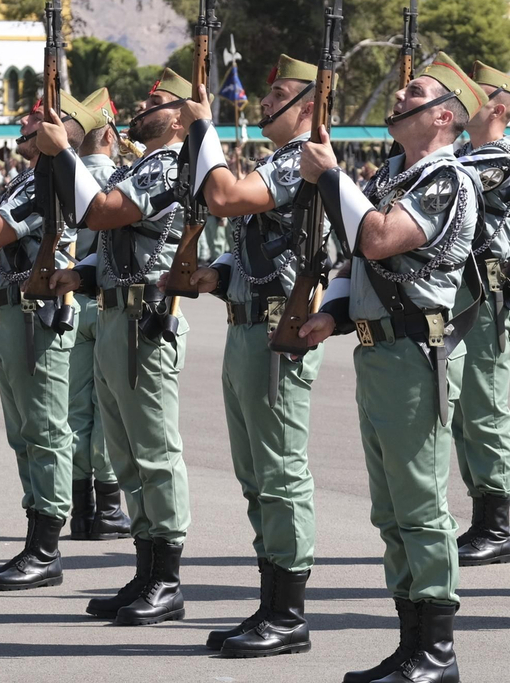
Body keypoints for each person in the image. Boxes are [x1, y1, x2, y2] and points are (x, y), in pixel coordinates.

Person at [295, 53, 485, 683]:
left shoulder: (445, 180)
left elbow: (377, 238)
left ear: (443, 117)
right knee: (391, 510)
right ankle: (410, 645)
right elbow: (358, 261)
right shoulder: (392, 179)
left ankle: (437, 650)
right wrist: (335, 314)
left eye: (416, 91)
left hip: (413, 354)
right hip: (378, 351)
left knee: (421, 505)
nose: (399, 95)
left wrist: (330, 176)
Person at [30, 68, 194, 626]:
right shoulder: (143, 164)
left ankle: (167, 578)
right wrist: (81, 274)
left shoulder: (172, 164)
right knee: (126, 454)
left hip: (147, 322)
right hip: (116, 314)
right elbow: (119, 241)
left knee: (154, 452)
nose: (142, 110)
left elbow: (101, 213)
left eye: (157, 103)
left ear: (179, 117)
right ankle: (147, 569)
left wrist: (61, 154)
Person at [180, 54, 324, 657]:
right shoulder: (279, 160)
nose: (266, 103)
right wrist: (213, 274)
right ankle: (270, 602)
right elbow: (251, 247)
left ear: (310, 108)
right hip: (245, 325)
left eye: (281, 96)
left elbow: (226, 197)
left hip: (275, 334)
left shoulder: (299, 161)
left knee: (281, 474)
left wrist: (203, 128)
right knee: (254, 476)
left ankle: (288, 613)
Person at [0, 89, 109, 590]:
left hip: (37, 320)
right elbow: (7, 249)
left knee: (45, 430)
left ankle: (46, 548)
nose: (24, 121)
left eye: (36, 117)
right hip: (10, 314)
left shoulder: (48, 180)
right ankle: (35, 540)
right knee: (24, 434)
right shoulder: (28, 176)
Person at [448, 60, 510, 568]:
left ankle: (495, 524)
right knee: (458, 412)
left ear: (498, 109)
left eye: (478, 93)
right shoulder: (459, 153)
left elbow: (443, 182)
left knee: (483, 408)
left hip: (484, 293)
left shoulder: (504, 156)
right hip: (456, 293)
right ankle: (480, 515)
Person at [50, 104, 131, 541]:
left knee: (76, 410)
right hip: (103, 298)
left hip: (69, 299)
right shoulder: (118, 179)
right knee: (107, 411)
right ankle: (109, 508)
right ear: (108, 135)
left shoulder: (65, 174)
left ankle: (80, 511)